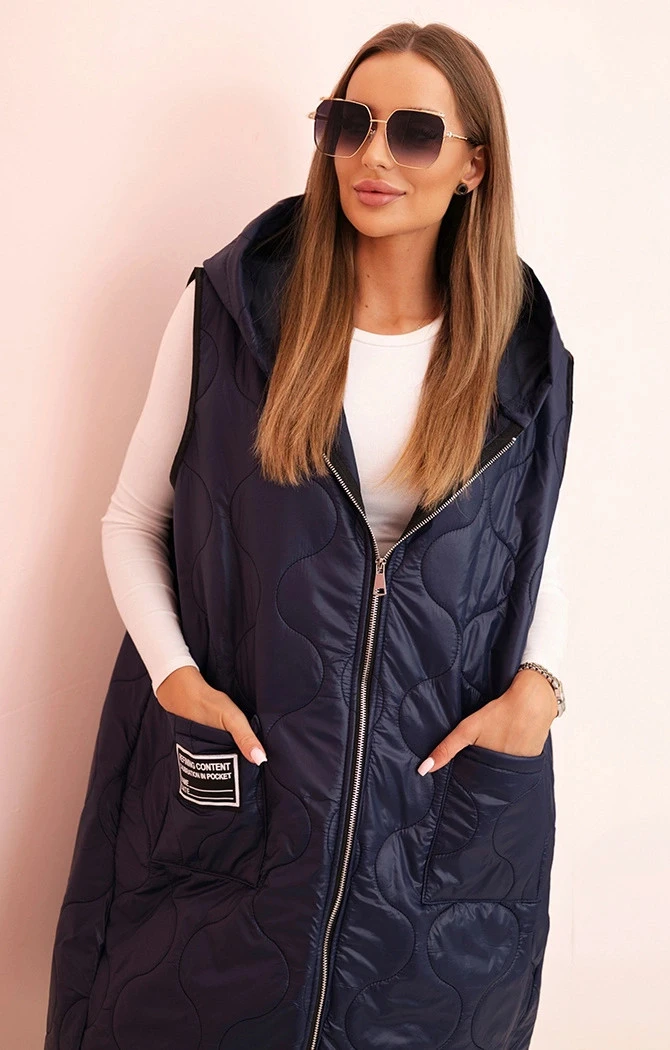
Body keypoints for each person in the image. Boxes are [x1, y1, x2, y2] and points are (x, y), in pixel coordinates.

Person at [45, 21, 574, 1050]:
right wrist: (175, 680)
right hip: (237, 776)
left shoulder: (522, 359)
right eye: (349, 123)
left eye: (413, 132)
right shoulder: (231, 313)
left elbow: (538, 548)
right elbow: (133, 519)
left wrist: (540, 691)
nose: (374, 155)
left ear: (474, 165)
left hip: (438, 814)